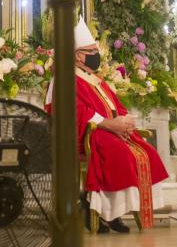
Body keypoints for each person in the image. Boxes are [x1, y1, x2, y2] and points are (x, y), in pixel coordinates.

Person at [47, 19, 168, 233]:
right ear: (77, 55)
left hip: (111, 131)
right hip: (87, 134)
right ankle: (104, 211)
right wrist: (107, 124)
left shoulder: (95, 78)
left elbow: (115, 105)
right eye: (92, 50)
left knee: (148, 152)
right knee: (120, 154)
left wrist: (125, 120)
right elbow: (72, 112)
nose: (97, 54)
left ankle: (116, 212)